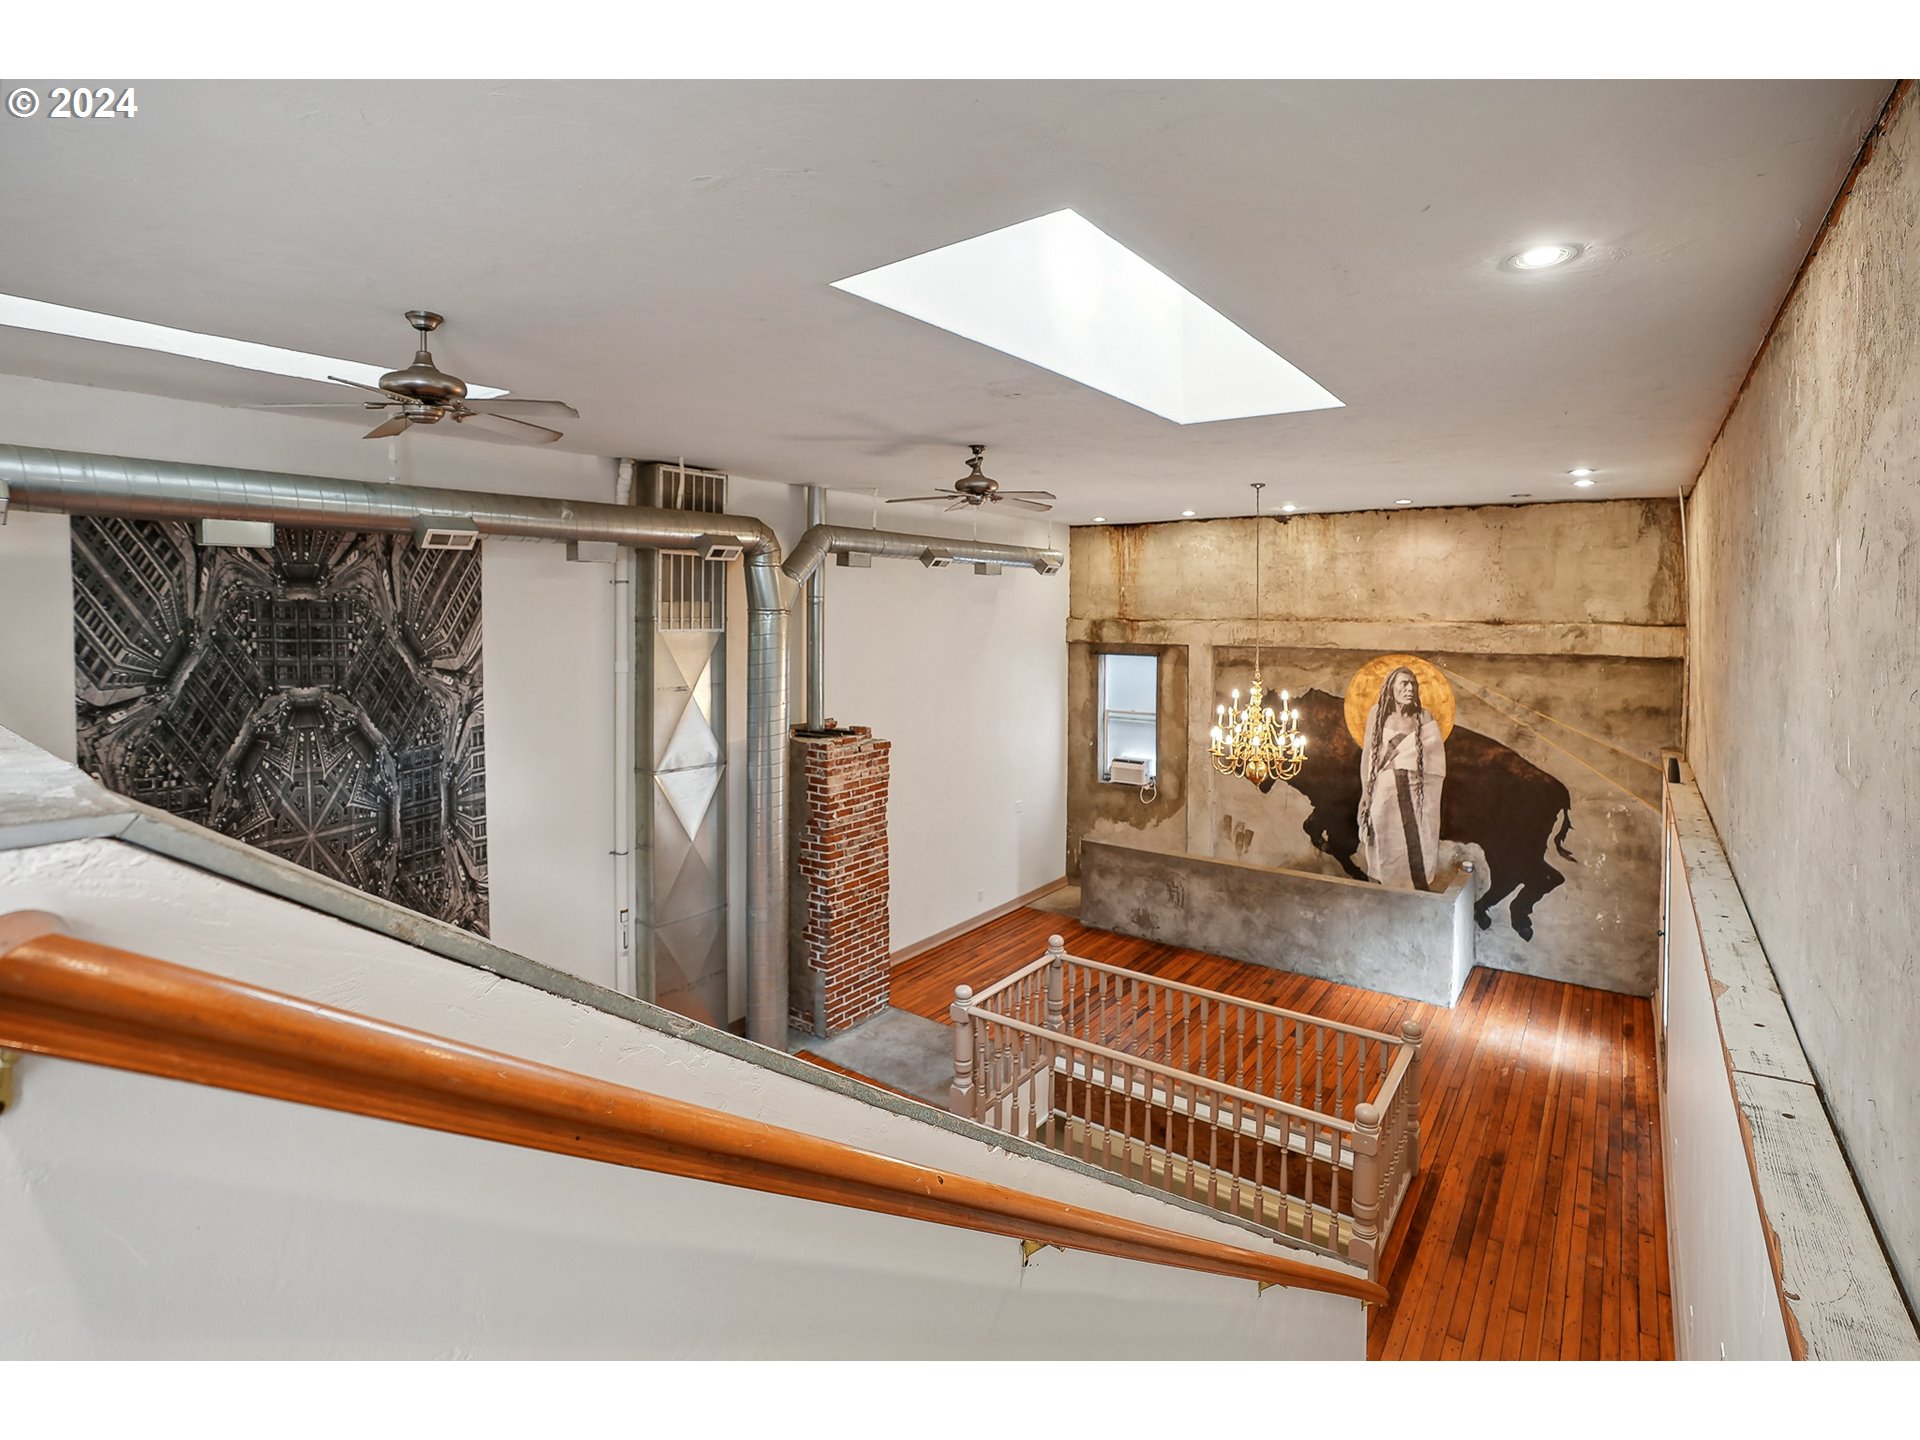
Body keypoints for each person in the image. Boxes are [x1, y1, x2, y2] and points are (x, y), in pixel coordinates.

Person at [1358, 666, 1446, 891]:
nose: (1409, 689)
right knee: (1383, 839)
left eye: (1413, 684)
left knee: (1417, 840)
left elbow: (1434, 760)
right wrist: (1365, 794)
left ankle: (1415, 891)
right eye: (1404, 684)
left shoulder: (1423, 716)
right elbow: (1369, 754)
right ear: (1391, 688)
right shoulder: (1377, 714)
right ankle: (1384, 890)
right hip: (1384, 793)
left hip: (1416, 793)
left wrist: (1406, 766)